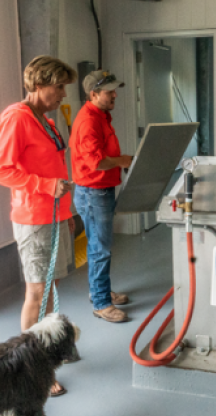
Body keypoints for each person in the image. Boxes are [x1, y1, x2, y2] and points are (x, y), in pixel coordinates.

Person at [0, 55, 77, 396]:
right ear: (39, 85)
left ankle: (48, 352)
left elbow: (52, 165)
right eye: (58, 88)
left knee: (48, 290)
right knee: (37, 293)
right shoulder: (18, 118)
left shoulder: (45, 120)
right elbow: (1, 170)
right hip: (33, 217)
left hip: (52, 215)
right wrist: (44, 185)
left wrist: (66, 214)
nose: (62, 95)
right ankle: (30, 370)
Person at [70, 70, 134, 323]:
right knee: (100, 248)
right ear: (94, 94)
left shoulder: (101, 116)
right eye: (110, 91)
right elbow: (96, 162)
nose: (115, 95)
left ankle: (102, 290)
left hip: (100, 190)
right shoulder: (89, 121)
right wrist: (124, 160)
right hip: (93, 193)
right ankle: (100, 302)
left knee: (100, 245)